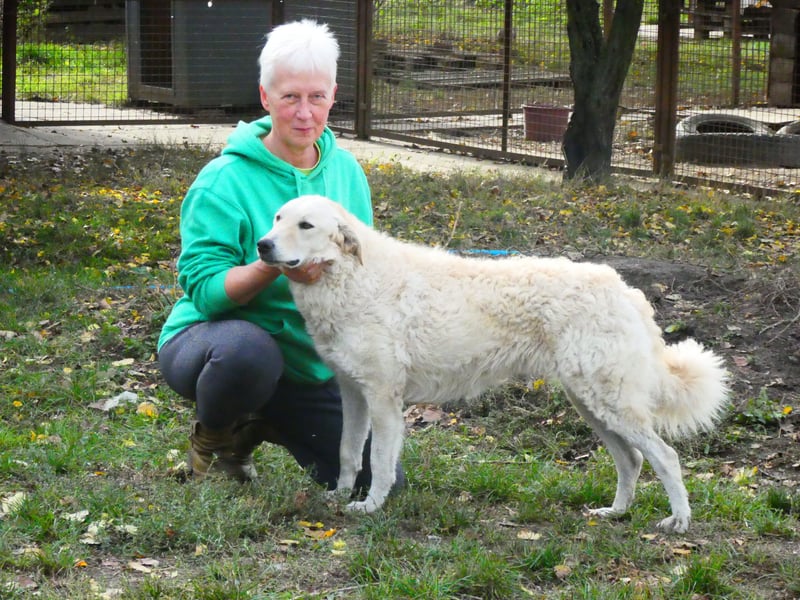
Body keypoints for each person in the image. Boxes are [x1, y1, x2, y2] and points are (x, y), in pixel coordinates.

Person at [157, 19, 400, 492]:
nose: (304, 113)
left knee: (379, 480)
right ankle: (217, 437)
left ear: (333, 95)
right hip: (215, 342)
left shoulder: (347, 173)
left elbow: (366, 268)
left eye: (316, 97)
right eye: (290, 97)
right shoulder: (222, 180)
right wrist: (276, 265)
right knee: (247, 355)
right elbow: (207, 294)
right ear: (266, 98)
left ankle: (265, 424)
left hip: (309, 362)